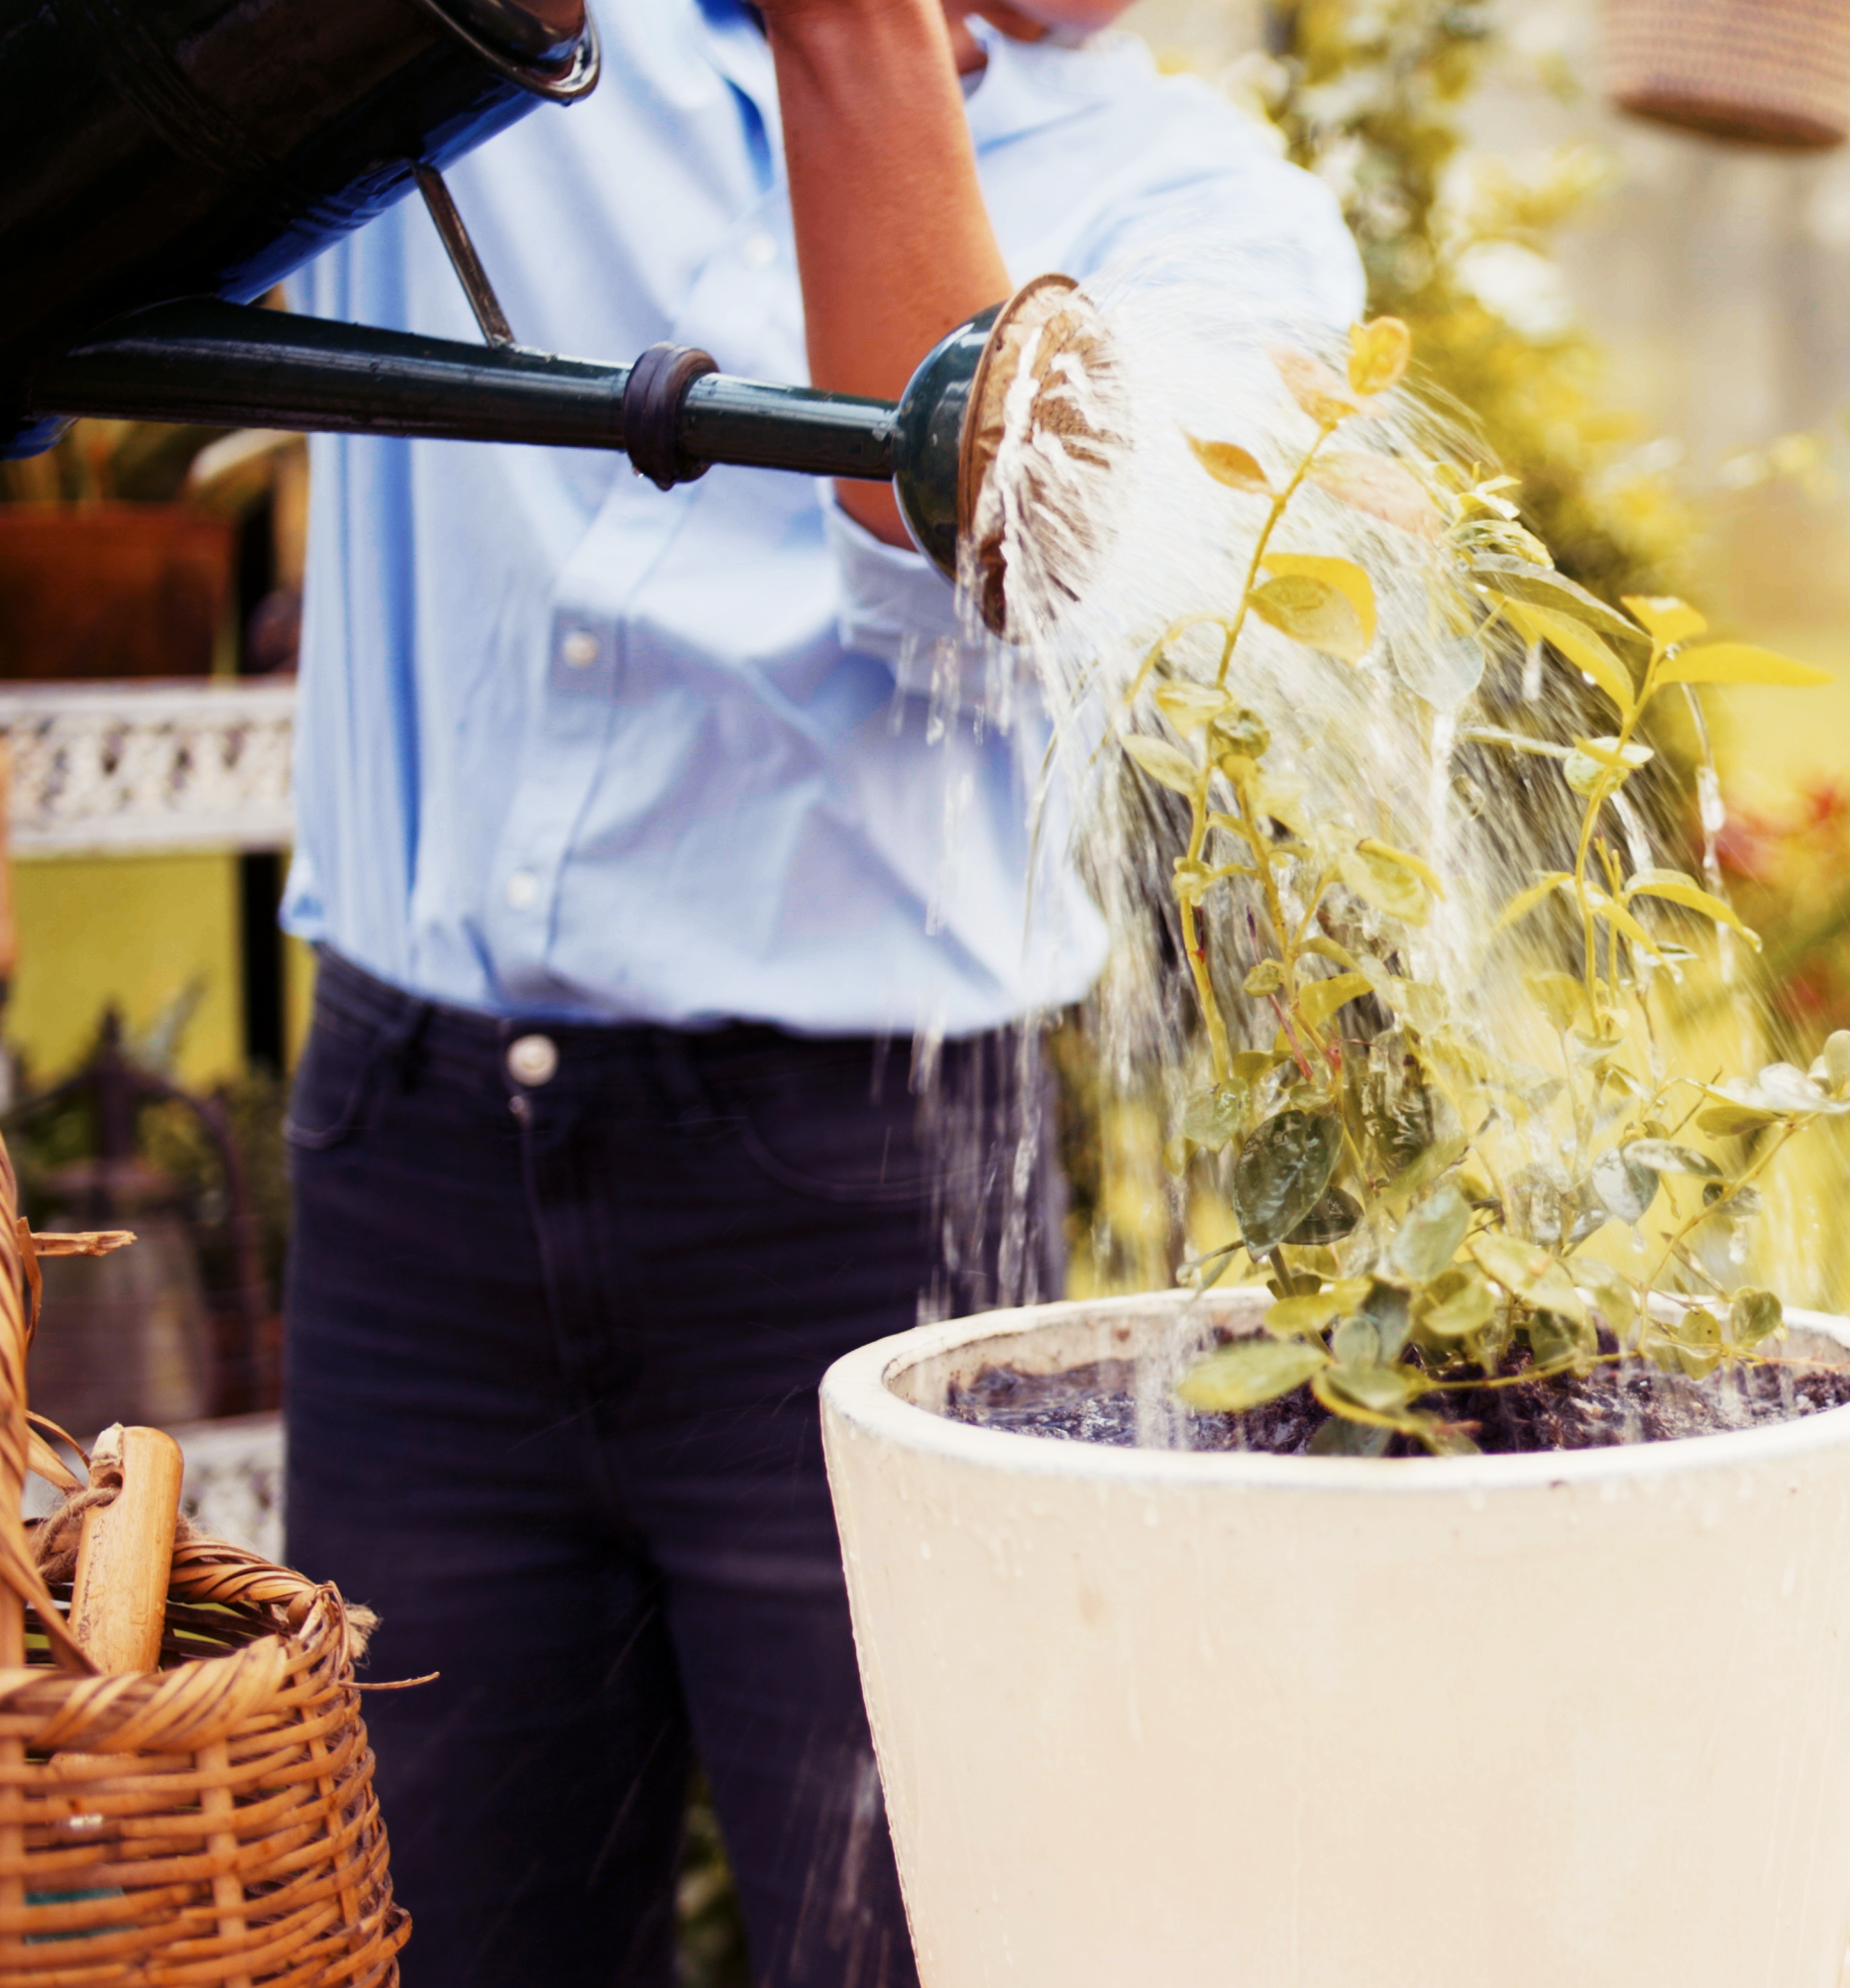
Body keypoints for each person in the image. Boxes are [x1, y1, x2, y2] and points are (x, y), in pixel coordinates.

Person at [274, 1, 1360, 1981]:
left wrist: (843, 35)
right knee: (413, 1938)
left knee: (923, 1945)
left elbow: (984, 527)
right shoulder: (509, 42)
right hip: (412, 1193)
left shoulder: (1215, 220)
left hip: (853, 1212)